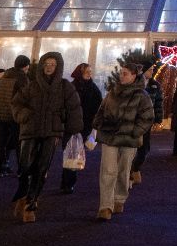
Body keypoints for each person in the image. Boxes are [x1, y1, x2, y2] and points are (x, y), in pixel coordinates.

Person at [10, 51, 82, 223]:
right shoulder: (32, 85)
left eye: (53, 64)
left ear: (58, 67)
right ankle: (23, 193)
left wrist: (74, 130)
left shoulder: (65, 87)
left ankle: (31, 204)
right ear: (42, 65)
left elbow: (74, 109)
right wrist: (24, 115)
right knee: (25, 167)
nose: (49, 67)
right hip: (30, 130)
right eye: (47, 64)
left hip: (52, 132)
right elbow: (16, 103)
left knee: (42, 169)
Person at [92, 63, 154, 221]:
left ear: (134, 76)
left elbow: (147, 117)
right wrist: (98, 124)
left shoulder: (142, 95)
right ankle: (105, 206)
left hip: (128, 139)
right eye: (121, 73)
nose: (122, 76)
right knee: (107, 170)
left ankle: (119, 198)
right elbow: (101, 109)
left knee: (123, 170)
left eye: (125, 73)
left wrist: (135, 131)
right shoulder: (113, 92)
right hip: (109, 136)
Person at [60, 63, 103, 194]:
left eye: (90, 71)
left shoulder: (93, 88)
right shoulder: (71, 87)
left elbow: (98, 106)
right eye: (86, 72)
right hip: (71, 126)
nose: (89, 74)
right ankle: (67, 182)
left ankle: (68, 182)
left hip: (85, 126)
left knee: (75, 154)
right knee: (70, 153)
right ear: (80, 72)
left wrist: (94, 124)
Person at [0, 56, 29, 176]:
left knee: (0, 141)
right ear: (25, 66)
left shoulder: (5, 76)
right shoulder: (22, 78)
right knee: (19, 143)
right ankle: (21, 169)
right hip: (14, 114)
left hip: (1, 114)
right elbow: (25, 96)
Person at [129, 65, 163, 186]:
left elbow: (159, 103)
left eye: (153, 70)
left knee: (145, 148)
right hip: (134, 121)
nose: (152, 72)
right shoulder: (134, 83)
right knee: (132, 148)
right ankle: (129, 174)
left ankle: (135, 168)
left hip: (147, 121)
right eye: (150, 70)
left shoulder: (155, 85)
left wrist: (158, 120)